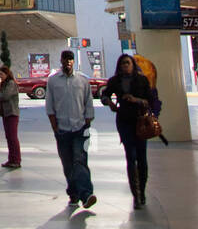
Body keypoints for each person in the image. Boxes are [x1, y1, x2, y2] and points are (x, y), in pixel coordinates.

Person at [100, 54, 157, 209]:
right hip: (124, 121)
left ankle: (142, 191)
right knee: (130, 157)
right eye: (123, 63)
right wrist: (110, 103)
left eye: (128, 63)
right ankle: (136, 195)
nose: (125, 66)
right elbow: (104, 94)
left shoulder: (142, 80)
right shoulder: (115, 81)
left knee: (141, 158)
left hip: (140, 121)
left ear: (133, 65)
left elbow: (150, 100)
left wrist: (136, 100)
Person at [45, 49, 96, 209]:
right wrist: (55, 127)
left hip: (80, 128)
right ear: (61, 61)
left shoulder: (82, 81)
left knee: (80, 161)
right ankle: (73, 193)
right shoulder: (53, 82)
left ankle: (86, 194)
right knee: (68, 164)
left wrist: (87, 122)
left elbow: (88, 102)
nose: (68, 62)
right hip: (62, 130)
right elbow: (50, 106)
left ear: (73, 61)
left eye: (70, 59)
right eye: (65, 59)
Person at [0, 64, 21, 168]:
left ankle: (16, 159)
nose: (0, 76)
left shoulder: (11, 84)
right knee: (9, 137)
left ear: (7, 74)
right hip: (6, 113)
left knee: (12, 137)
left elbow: (4, 96)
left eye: (1, 74)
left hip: (12, 113)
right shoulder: (5, 84)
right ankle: (11, 159)